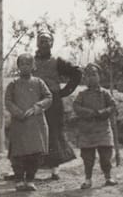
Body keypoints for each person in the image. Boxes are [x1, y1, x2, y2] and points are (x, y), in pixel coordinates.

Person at [31, 28, 80, 180]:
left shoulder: (57, 61)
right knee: (33, 133)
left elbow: (77, 72)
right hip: (34, 102)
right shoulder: (31, 61)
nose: (44, 43)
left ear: (51, 44)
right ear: (37, 43)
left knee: (54, 132)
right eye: (41, 41)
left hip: (53, 103)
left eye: (47, 41)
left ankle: (54, 169)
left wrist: (64, 92)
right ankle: (32, 167)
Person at [4, 53, 53, 193]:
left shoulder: (39, 82)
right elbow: (8, 101)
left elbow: (49, 97)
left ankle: (30, 179)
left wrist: (38, 107)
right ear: (18, 66)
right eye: (22, 64)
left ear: (33, 66)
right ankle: (19, 180)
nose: (25, 66)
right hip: (19, 125)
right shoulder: (13, 84)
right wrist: (18, 112)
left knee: (35, 153)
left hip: (36, 124)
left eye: (28, 64)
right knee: (18, 154)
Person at [72, 65, 118, 189]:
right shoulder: (82, 94)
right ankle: (88, 179)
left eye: (94, 75)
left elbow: (113, 106)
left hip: (103, 130)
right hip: (87, 131)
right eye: (88, 75)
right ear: (84, 79)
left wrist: (103, 112)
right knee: (88, 158)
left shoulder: (105, 93)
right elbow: (76, 107)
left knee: (106, 156)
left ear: (99, 77)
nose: (91, 78)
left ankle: (108, 177)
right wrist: (89, 112)